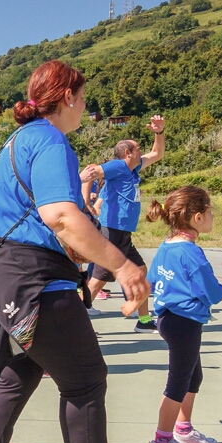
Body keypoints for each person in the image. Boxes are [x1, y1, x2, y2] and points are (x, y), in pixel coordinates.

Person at [0, 60, 156, 443]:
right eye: (83, 98)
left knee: (14, 375)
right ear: (66, 97)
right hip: (35, 279)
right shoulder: (49, 140)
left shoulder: (14, 142)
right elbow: (62, 217)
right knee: (85, 381)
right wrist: (123, 266)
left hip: (5, 276)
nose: (85, 106)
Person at [143, 187, 222, 443]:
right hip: (184, 323)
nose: (212, 216)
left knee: (193, 377)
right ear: (196, 218)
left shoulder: (166, 246)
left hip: (170, 320)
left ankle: (182, 430)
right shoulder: (191, 253)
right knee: (178, 383)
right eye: (209, 211)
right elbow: (214, 293)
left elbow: (151, 280)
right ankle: (162, 442)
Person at [81, 115, 166, 332]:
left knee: (140, 272)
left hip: (123, 233)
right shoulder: (118, 166)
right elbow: (91, 172)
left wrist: (159, 132)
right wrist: (85, 202)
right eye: (138, 148)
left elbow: (157, 153)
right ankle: (74, 326)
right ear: (128, 153)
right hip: (111, 231)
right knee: (97, 281)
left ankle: (144, 321)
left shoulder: (134, 169)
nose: (141, 151)